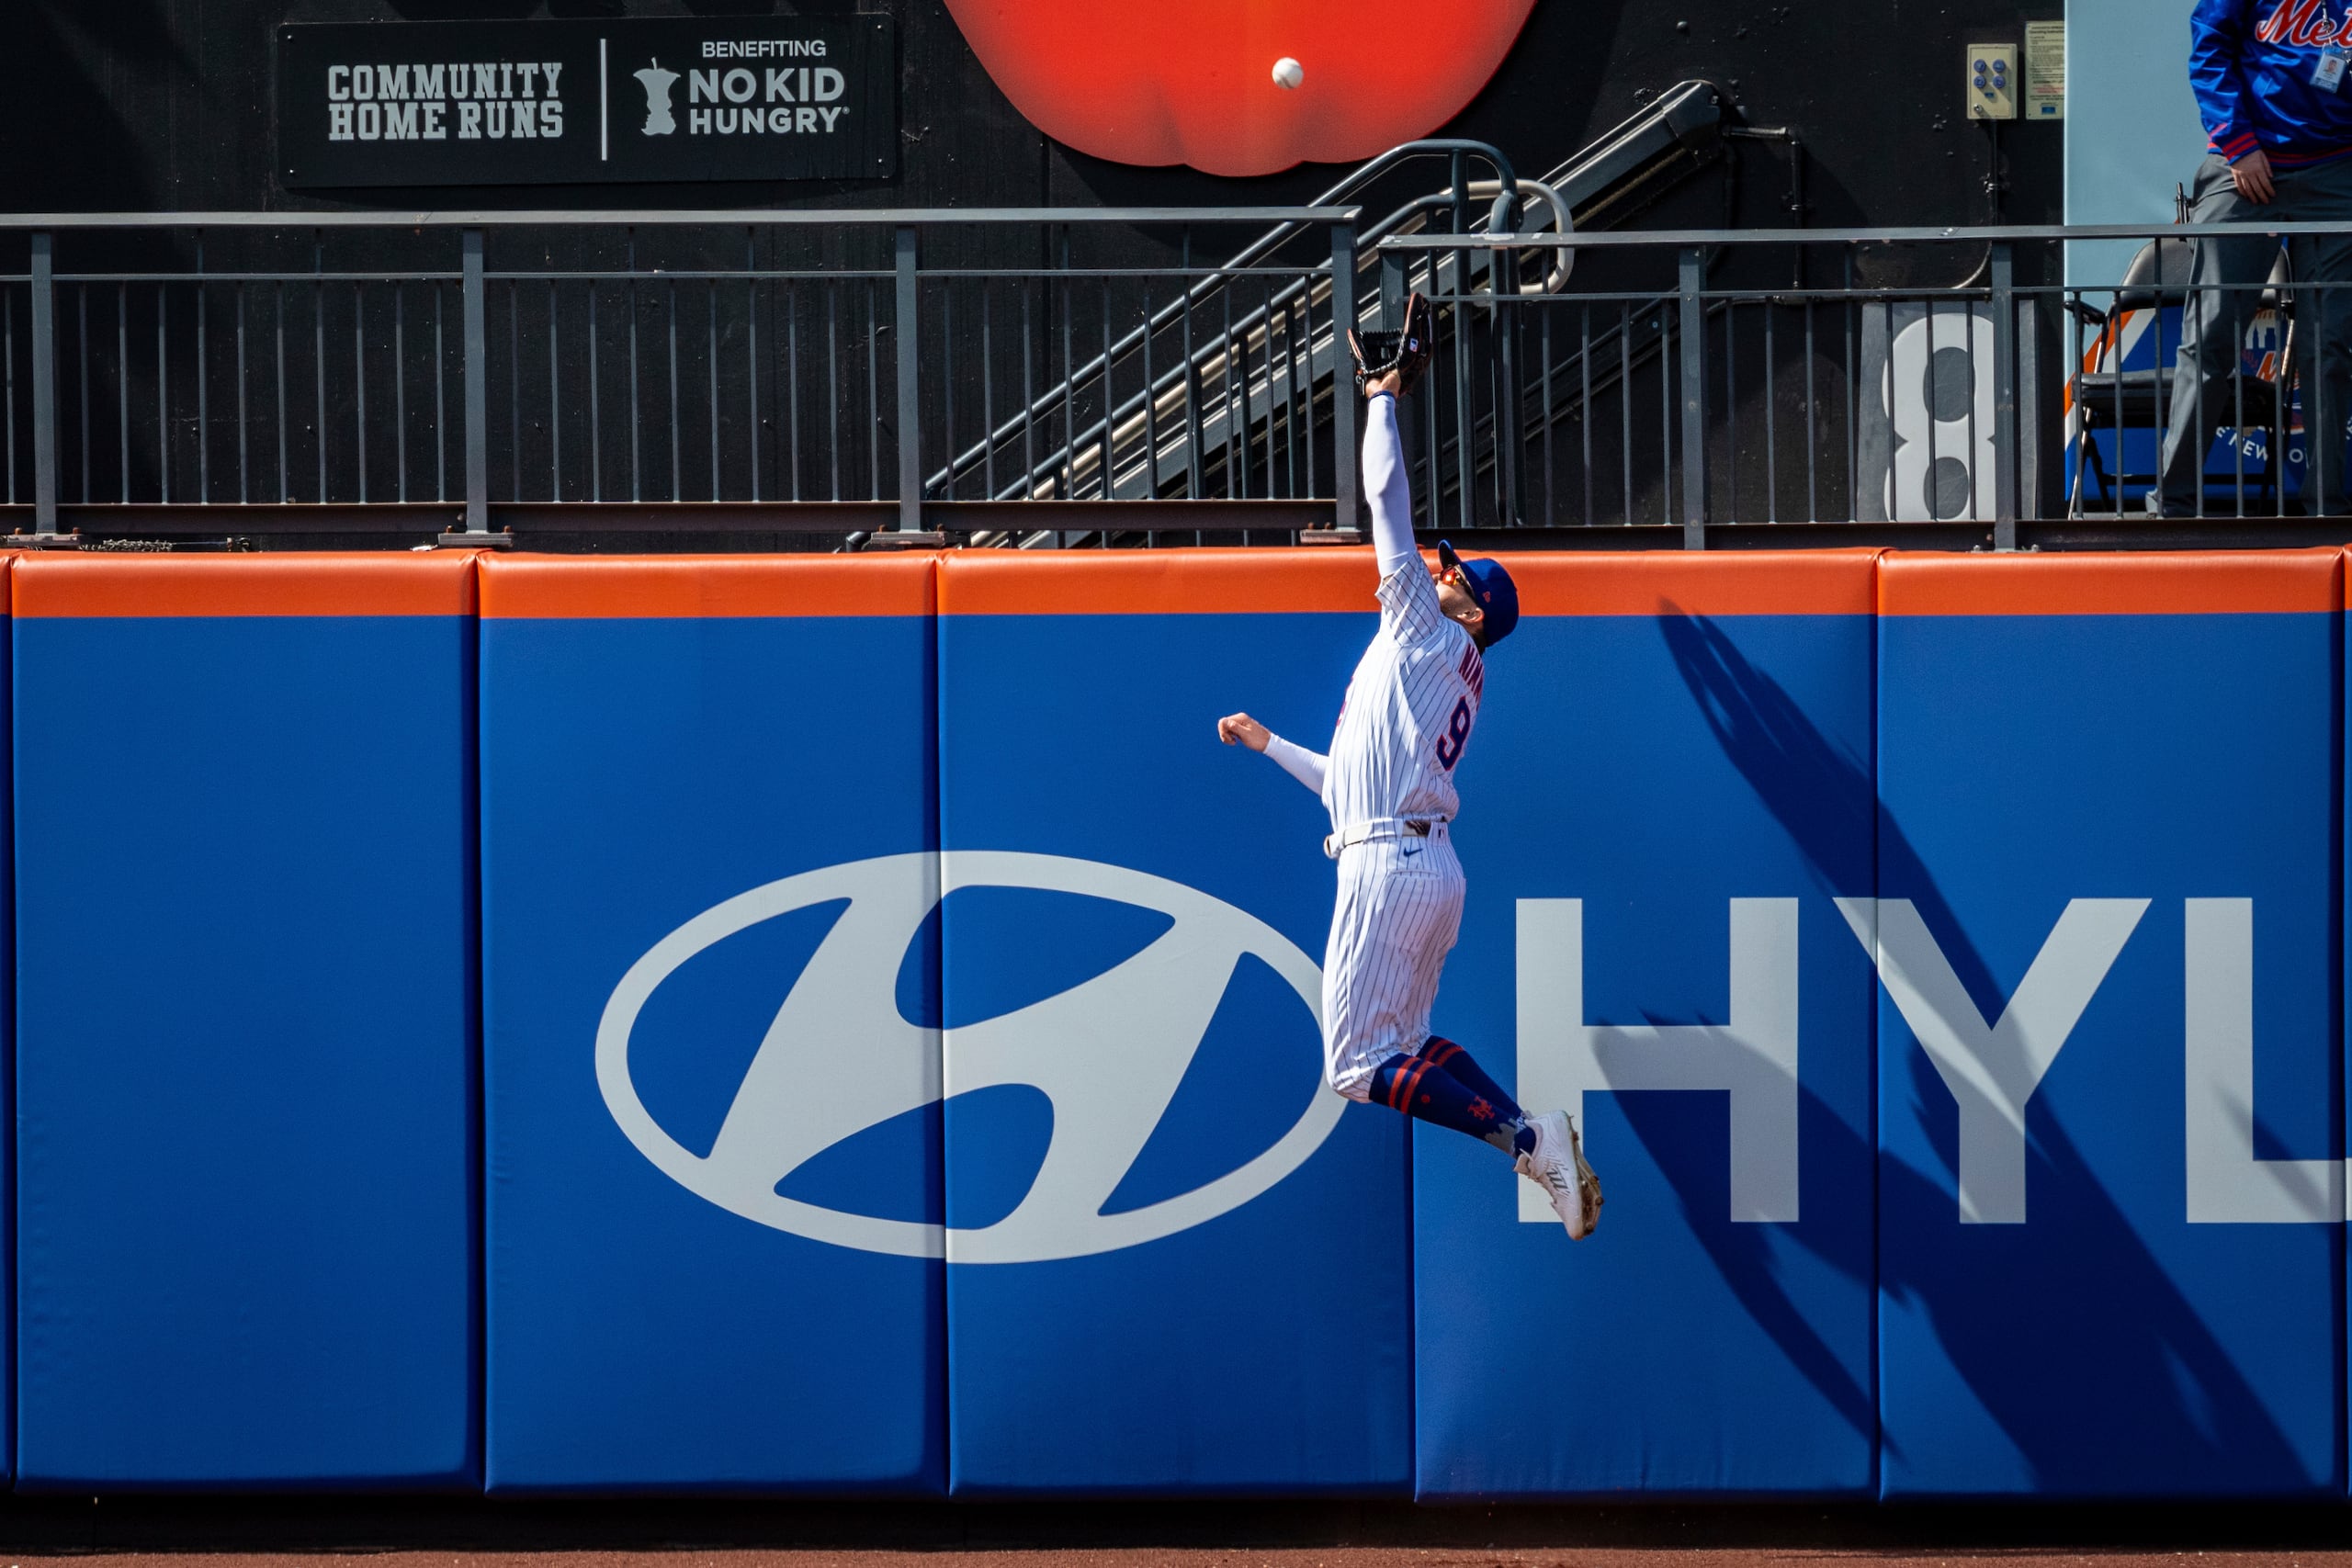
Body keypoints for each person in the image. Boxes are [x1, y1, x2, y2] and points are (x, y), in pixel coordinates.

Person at [1215, 356, 1602, 1240]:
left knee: (1356, 1064)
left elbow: (1387, 501)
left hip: (1390, 866)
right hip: (1419, 859)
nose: (1442, 570)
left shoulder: (1425, 633)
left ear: (1470, 613)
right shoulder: (1438, 662)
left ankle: (1524, 1135)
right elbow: (1349, 791)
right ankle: (1531, 1136)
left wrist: (1382, 395)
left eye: (1458, 576)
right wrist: (1271, 743)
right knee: (1408, 1046)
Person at [2158, 0, 2352, 516]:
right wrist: (2240, 145)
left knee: (2328, 344)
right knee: (2211, 337)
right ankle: (2173, 505)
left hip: (2336, 173)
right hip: (2245, 168)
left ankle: (2325, 506)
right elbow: (2209, 47)